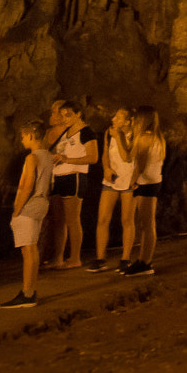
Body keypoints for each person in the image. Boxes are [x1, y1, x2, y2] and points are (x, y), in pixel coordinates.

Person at [1, 118, 54, 308]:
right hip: (42, 203)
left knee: (28, 250)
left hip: (29, 205)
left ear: (31, 135)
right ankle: (30, 290)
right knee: (33, 249)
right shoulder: (48, 156)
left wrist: (17, 209)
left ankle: (27, 293)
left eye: (23, 136)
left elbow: (26, 185)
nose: (22, 140)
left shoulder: (31, 158)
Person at [44, 100, 98, 270]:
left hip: (74, 177)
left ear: (78, 114)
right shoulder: (66, 132)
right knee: (59, 220)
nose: (64, 118)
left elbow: (93, 157)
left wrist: (68, 160)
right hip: (58, 177)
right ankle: (58, 258)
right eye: (62, 115)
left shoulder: (86, 132)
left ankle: (75, 258)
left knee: (72, 220)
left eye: (68, 115)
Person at [86, 108, 134, 272]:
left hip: (129, 181)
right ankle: (100, 258)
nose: (113, 119)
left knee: (127, 220)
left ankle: (125, 258)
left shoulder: (135, 135)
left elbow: (127, 156)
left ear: (127, 122)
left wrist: (119, 137)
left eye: (118, 117)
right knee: (103, 219)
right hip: (111, 180)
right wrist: (106, 168)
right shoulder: (109, 133)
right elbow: (105, 153)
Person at [119, 106, 164, 276]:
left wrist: (132, 181)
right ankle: (143, 260)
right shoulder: (155, 137)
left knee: (147, 224)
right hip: (151, 182)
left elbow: (141, 163)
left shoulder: (145, 138)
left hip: (146, 183)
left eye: (137, 118)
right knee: (145, 224)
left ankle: (146, 263)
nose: (134, 121)